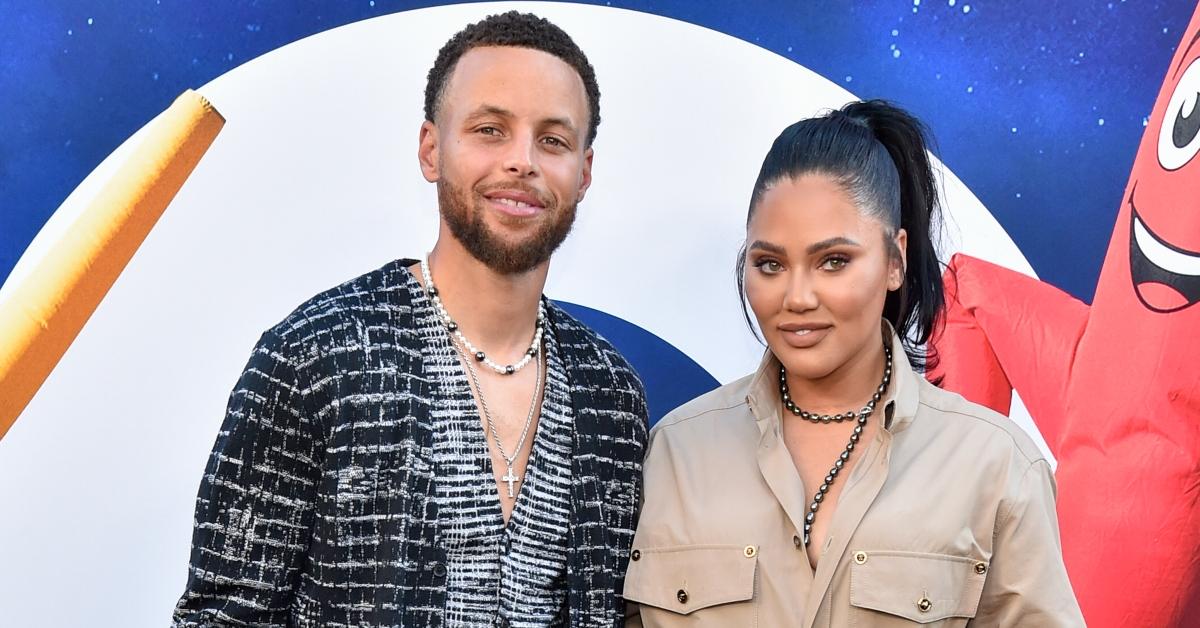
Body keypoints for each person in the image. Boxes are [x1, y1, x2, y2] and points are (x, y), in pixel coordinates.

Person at [173, 11, 648, 627]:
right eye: (489, 130)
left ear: (583, 174)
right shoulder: (316, 357)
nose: (522, 162)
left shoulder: (610, 394)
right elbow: (223, 617)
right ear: (432, 150)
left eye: (553, 140)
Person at [623, 101, 1083, 626]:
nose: (796, 296)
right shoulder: (672, 454)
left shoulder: (996, 465)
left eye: (833, 261)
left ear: (894, 261)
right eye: (769, 264)